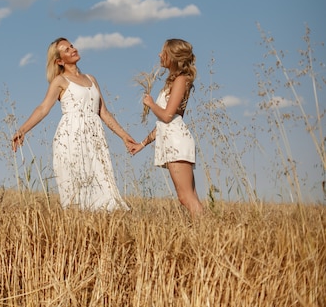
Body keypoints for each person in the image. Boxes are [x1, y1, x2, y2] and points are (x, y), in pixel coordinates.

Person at [11, 38, 135, 211]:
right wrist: (22, 130)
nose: (73, 49)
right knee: (76, 186)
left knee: (103, 182)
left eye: (71, 46)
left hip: (94, 137)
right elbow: (43, 108)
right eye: (66, 50)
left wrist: (124, 136)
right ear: (59, 61)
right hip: (71, 136)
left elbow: (103, 113)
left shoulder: (91, 79)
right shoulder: (60, 81)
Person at [129, 39, 204, 216]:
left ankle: (208, 232)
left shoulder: (180, 80)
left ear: (173, 56)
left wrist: (151, 103)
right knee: (188, 196)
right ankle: (206, 231)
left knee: (186, 197)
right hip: (173, 138)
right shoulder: (174, 81)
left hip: (177, 142)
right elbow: (165, 123)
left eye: (163, 52)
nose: (159, 55)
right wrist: (142, 144)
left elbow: (167, 116)